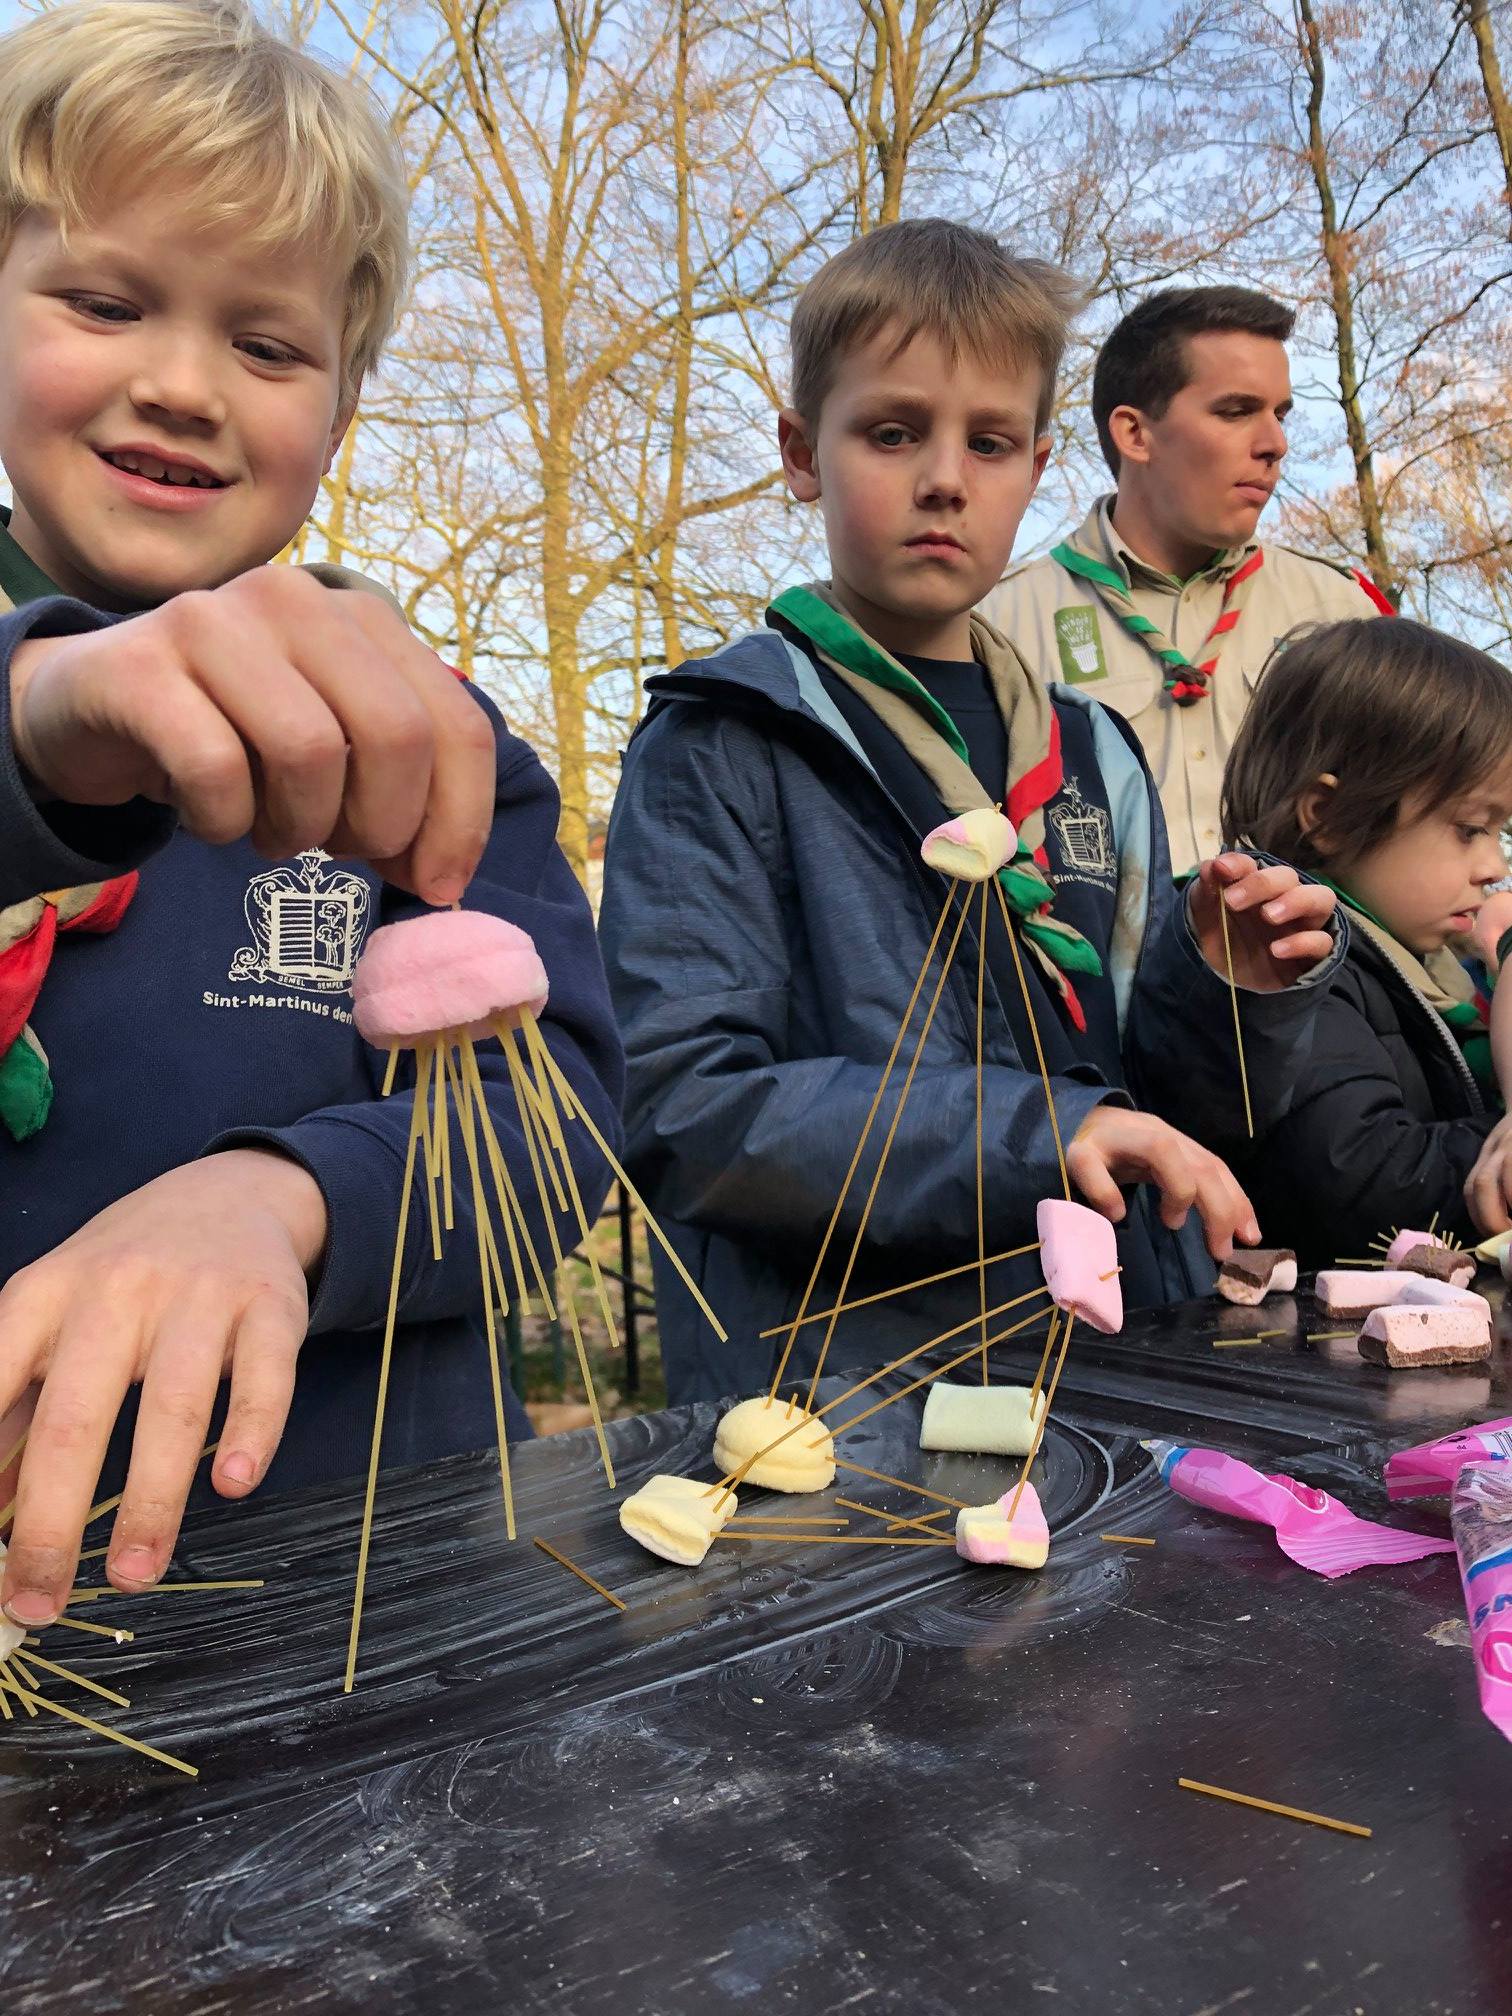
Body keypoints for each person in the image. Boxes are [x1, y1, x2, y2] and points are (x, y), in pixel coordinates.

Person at [0, 0, 623, 1632]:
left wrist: (291, 1196)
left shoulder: (429, 744)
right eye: (106, 299)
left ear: (341, 409)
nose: (184, 384)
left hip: (344, 1605)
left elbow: (553, 1117)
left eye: (268, 346)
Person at [598, 220, 1340, 1406]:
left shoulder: (1092, 751)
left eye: (990, 442)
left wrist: (1233, 994)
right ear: (802, 451)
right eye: (893, 432)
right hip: (842, 1407)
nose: (946, 477)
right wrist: (1039, 1135)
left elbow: (1148, 1098)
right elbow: (686, 1107)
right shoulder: (720, 741)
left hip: (1109, 1366)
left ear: (1040, 466)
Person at [981, 287, 1388, 877]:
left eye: (1280, 414)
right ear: (1135, 434)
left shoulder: (1342, 611)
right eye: (1236, 411)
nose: (1276, 443)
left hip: (1318, 963)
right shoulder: (1001, 627)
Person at [1217, 616, 1512, 1263]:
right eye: (1469, 828)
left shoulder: (1444, 970)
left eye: (1500, 833)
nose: (1494, 866)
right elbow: (1356, 1179)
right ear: (1326, 817)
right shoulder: (1284, 961)